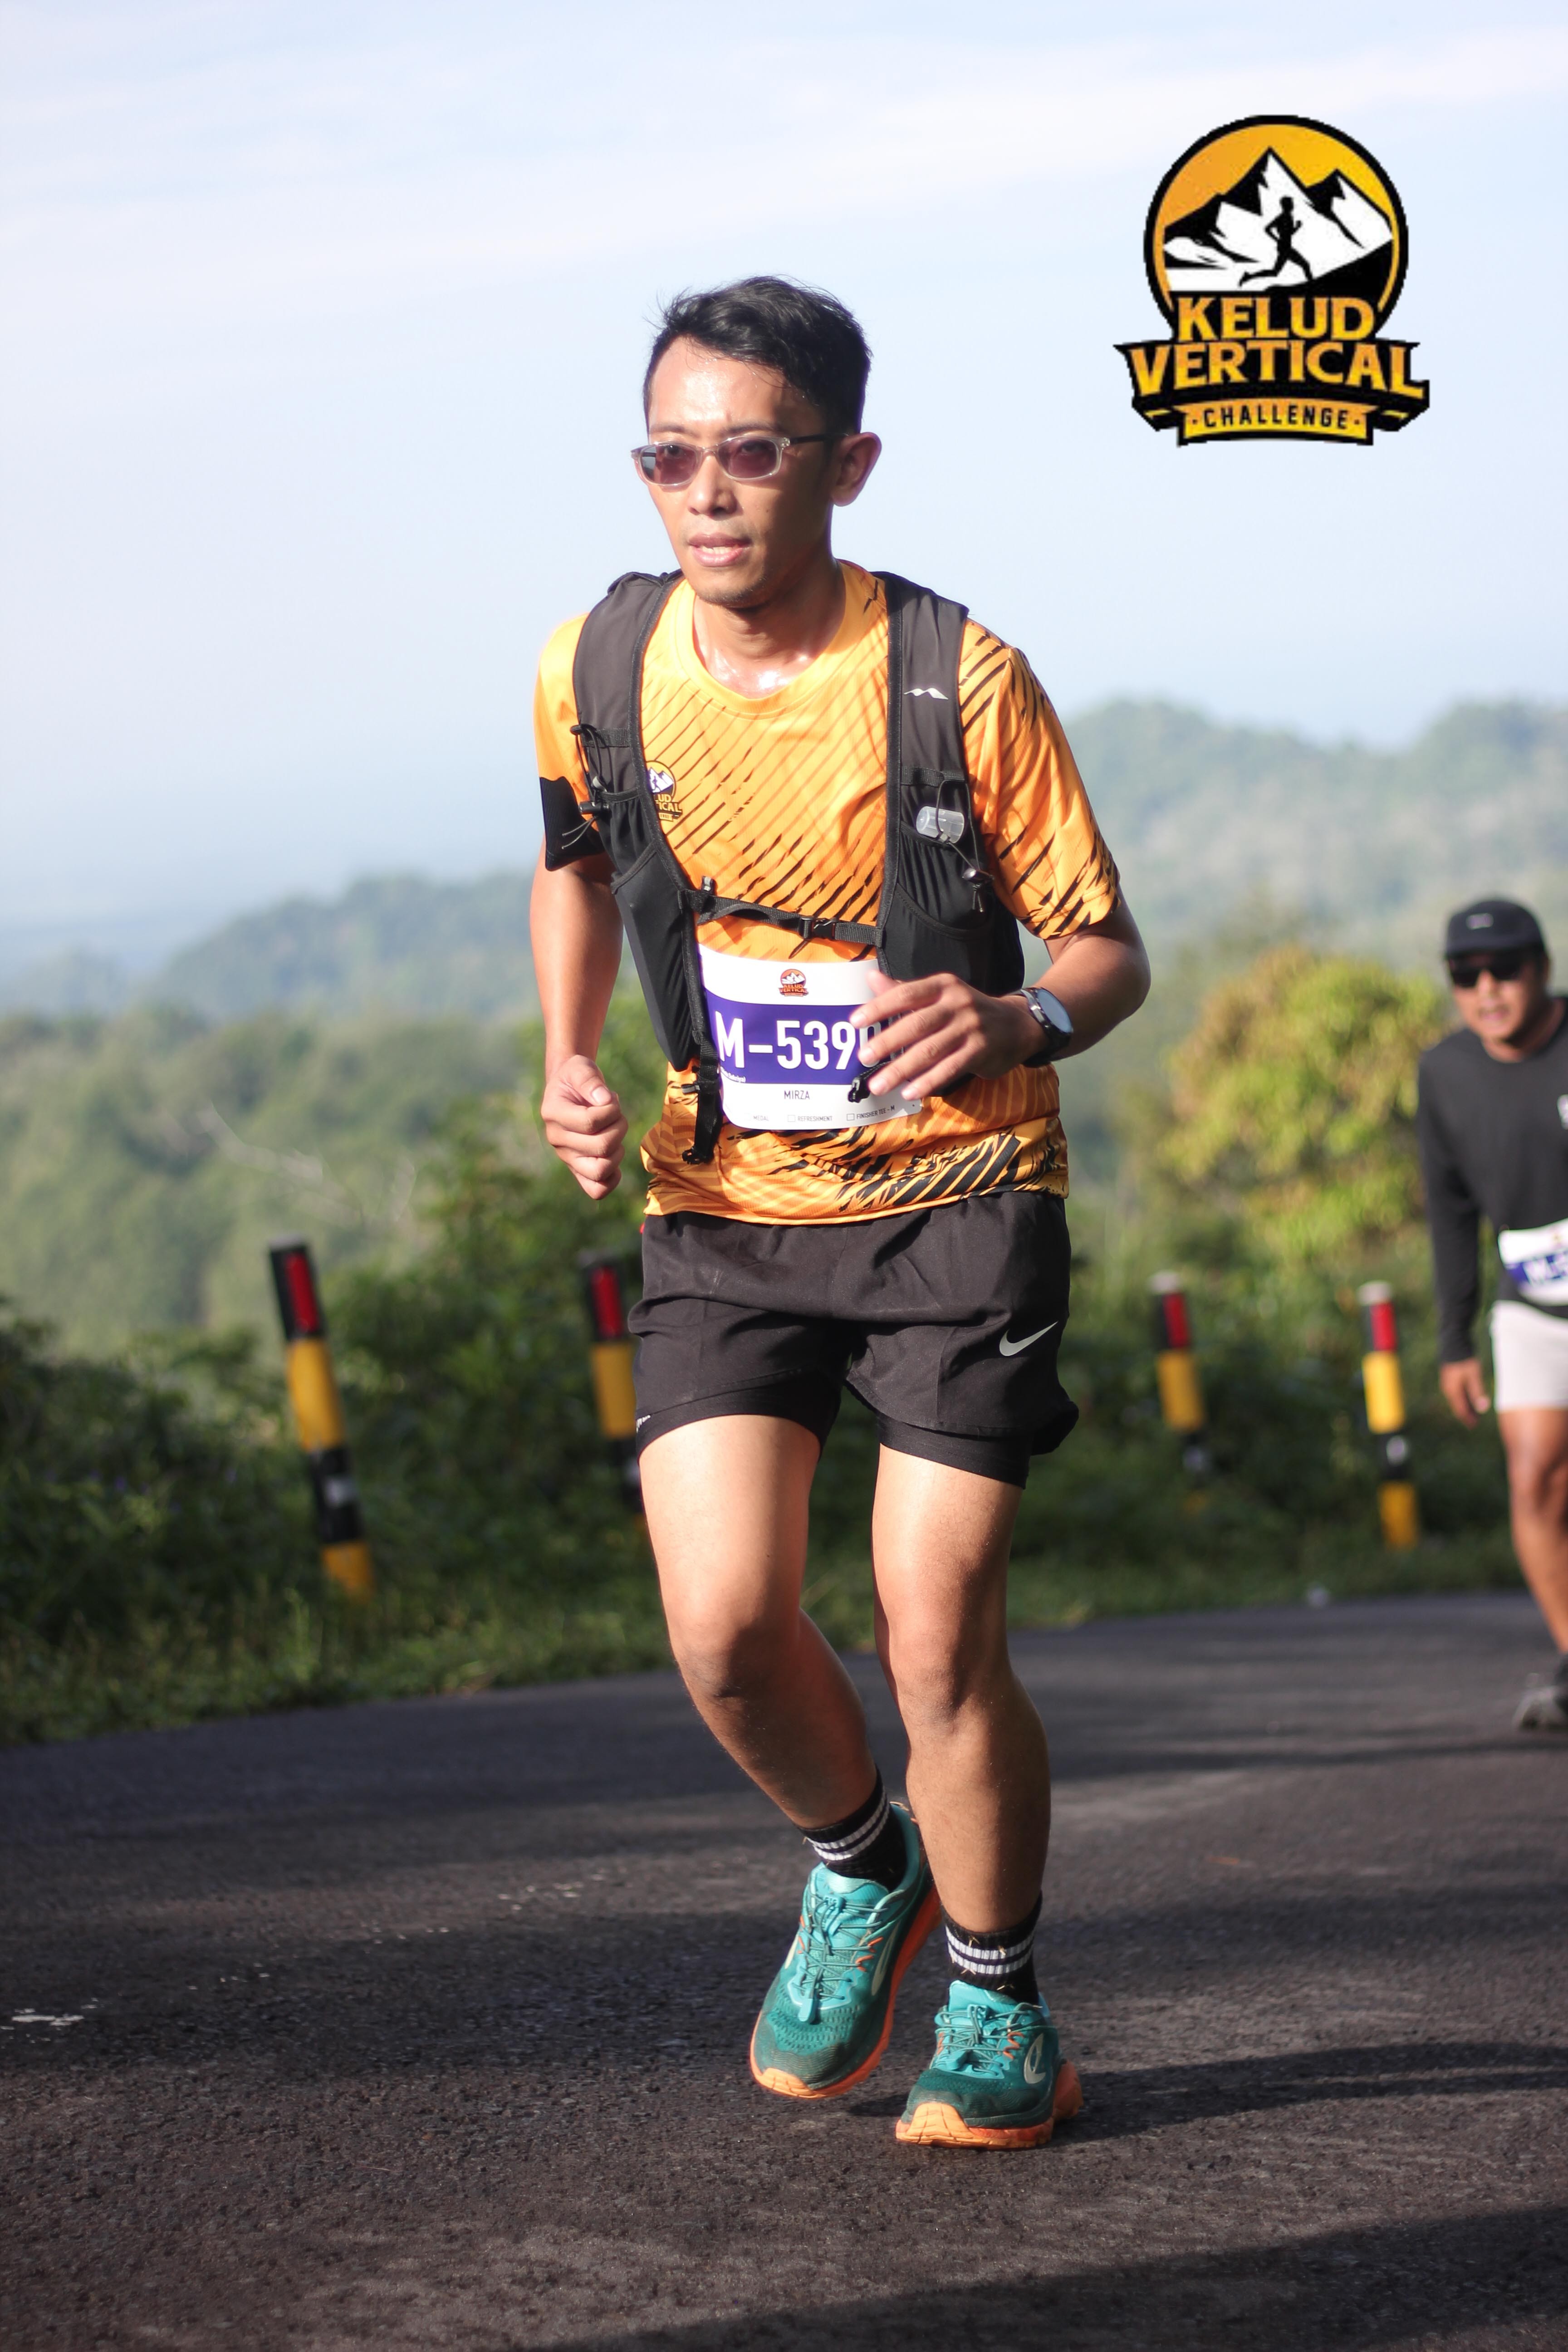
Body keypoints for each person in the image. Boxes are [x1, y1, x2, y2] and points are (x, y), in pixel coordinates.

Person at [530, 276, 1149, 2147]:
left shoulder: (958, 677)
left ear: (846, 463)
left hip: (959, 1198)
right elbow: (573, 860)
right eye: (670, 457)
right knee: (723, 1627)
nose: (707, 491)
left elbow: (1106, 952)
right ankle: (863, 1864)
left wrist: (1015, 1015)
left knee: (931, 1626)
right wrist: (566, 1055)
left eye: (751, 451)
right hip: (723, 1199)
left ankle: (999, 1995)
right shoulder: (595, 663)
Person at [1417, 898, 1568, 1732]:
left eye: (1504, 969)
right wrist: (1455, 1341)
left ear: (1541, 968)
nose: (1487, 989)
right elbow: (1450, 1213)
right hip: (1531, 1306)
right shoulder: (1445, 1074)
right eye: (1465, 976)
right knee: (1536, 1475)